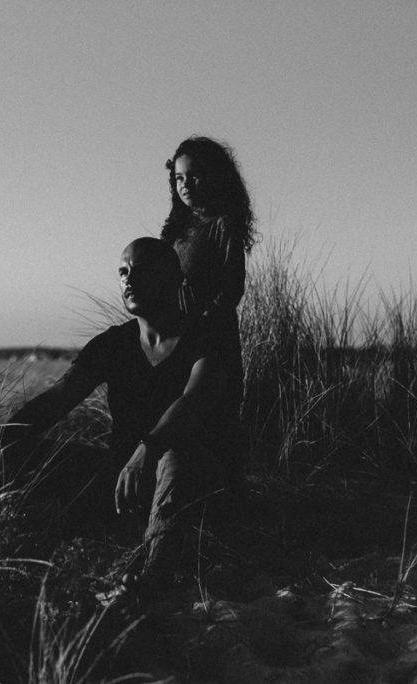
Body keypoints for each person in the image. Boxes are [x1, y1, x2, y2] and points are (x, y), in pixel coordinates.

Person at [3, 237, 229, 601]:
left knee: (174, 458)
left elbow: (194, 399)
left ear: (172, 278)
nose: (128, 280)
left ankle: (152, 578)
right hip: (122, 479)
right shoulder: (112, 343)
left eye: (140, 271)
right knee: (11, 447)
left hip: (189, 477)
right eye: (123, 272)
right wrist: (2, 436)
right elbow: (61, 397)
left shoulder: (205, 338)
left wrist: (148, 448)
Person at [161, 136, 256, 487]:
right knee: (179, 413)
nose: (185, 185)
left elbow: (233, 287)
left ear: (214, 176)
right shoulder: (178, 226)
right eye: (179, 178)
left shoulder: (223, 223)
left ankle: (226, 498)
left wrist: (202, 318)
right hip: (176, 338)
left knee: (217, 413)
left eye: (194, 176)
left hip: (213, 338)